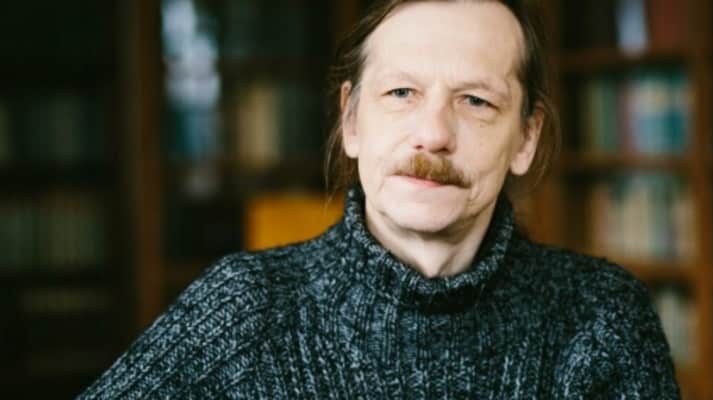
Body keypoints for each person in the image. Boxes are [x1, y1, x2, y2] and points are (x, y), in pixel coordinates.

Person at [80, 0, 681, 398]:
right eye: (401, 93)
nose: (434, 134)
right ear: (351, 120)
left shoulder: (602, 318)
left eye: (476, 101)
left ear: (526, 138)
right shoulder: (243, 309)